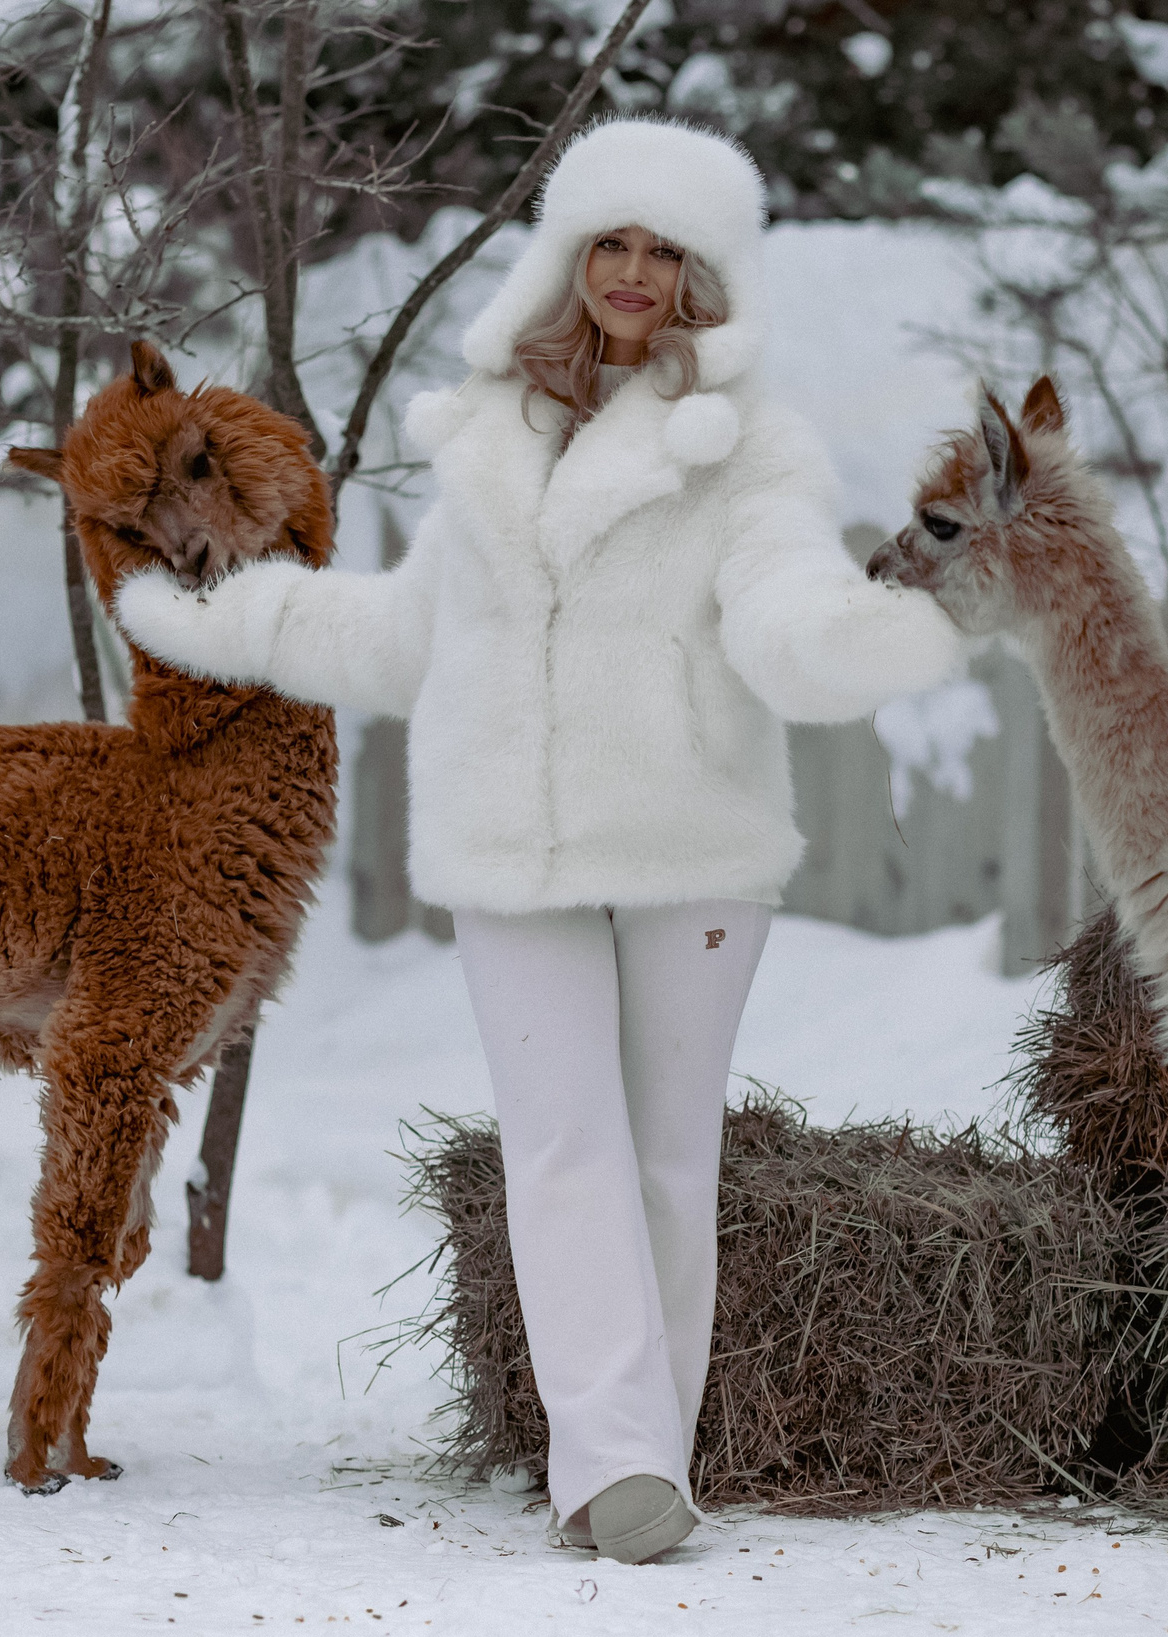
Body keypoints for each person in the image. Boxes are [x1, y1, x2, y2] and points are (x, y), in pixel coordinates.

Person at [112, 118, 962, 1563]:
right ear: (567, 258)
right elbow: (404, 633)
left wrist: (880, 634)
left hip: (691, 842)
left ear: (704, 274)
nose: (632, 272)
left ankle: (649, 1461)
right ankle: (615, 1466)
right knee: (562, 1144)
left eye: (662, 250)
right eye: (607, 242)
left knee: (667, 1160)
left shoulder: (754, 447)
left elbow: (783, 614)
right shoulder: (492, 431)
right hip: (506, 842)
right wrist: (223, 618)